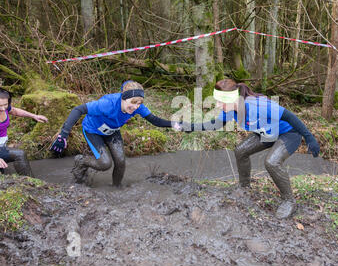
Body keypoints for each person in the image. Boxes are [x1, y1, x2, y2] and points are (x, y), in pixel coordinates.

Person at [186, 79, 320, 219]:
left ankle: (289, 201)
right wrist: (191, 127)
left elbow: (290, 117)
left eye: (221, 101)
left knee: (272, 162)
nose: (218, 105)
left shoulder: (257, 105)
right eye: (217, 101)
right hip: (268, 133)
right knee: (240, 150)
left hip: (289, 133)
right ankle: (244, 187)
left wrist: (310, 138)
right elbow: (216, 124)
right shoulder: (230, 109)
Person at [50, 80, 181, 187]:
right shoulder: (107, 104)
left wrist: (175, 124)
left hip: (112, 131)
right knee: (105, 164)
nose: (136, 107)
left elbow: (155, 120)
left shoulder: (138, 107)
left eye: (139, 103)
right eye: (133, 103)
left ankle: (116, 187)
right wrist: (64, 134)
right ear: (123, 99)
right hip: (92, 130)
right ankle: (82, 161)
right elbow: (78, 109)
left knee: (121, 162)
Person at [0, 88, 48, 176]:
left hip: (2, 148)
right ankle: (30, 183)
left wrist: (34, 116)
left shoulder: (5, 108)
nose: (3, 109)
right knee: (19, 154)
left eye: (5, 105)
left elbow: (15, 111)